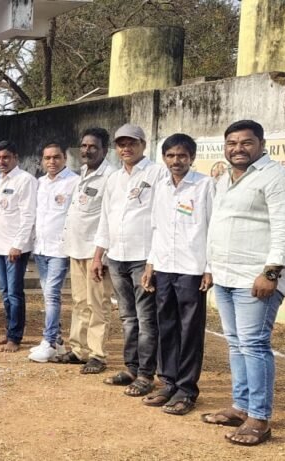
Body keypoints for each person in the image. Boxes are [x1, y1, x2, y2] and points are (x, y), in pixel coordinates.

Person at [202, 120, 285, 446]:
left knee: (255, 346)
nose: (238, 149)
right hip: (227, 276)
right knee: (235, 343)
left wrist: (271, 273)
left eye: (246, 143)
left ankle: (259, 418)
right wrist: (211, 268)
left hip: (256, 279)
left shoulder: (278, 178)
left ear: (261, 143)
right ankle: (240, 406)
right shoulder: (224, 180)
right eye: (232, 143)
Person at [138, 133, 214, 416]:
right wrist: (150, 264)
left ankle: (186, 389)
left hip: (192, 269)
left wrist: (209, 268)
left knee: (189, 330)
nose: (176, 161)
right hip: (164, 267)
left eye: (182, 156)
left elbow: (212, 227)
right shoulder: (161, 187)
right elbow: (156, 228)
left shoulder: (205, 186)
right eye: (170, 156)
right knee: (166, 326)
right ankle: (168, 382)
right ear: (164, 158)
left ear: (191, 157)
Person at [92, 123, 167, 397]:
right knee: (127, 317)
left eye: (131, 143)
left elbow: (161, 219)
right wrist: (99, 254)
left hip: (143, 257)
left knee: (147, 319)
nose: (126, 148)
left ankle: (147, 374)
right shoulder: (113, 179)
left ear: (143, 145)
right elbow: (106, 218)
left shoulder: (157, 174)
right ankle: (131, 368)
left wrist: (153, 261)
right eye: (121, 144)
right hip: (117, 256)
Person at [57, 128, 117, 374]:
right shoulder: (82, 173)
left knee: (98, 304)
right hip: (76, 249)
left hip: (95, 254)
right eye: (83, 146)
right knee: (79, 301)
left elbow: (108, 219)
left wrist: (100, 256)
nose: (87, 150)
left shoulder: (110, 177)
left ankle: (97, 355)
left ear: (104, 149)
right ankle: (79, 350)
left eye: (93, 146)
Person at [0, 141, 37, 353]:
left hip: (15, 248)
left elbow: (28, 215)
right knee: (5, 292)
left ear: (16, 157)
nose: (1, 161)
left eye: (6, 157)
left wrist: (18, 245)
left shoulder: (25, 180)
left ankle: (15, 336)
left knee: (14, 293)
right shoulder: (0, 180)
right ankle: (8, 331)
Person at [27, 142, 79, 362]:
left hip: (60, 249)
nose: (52, 162)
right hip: (41, 248)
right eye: (47, 158)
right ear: (42, 160)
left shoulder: (74, 182)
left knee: (52, 295)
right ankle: (57, 340)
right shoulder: (40, 183)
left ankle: (48, 341)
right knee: (47, 295)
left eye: (56, 157)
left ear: (64, 158)